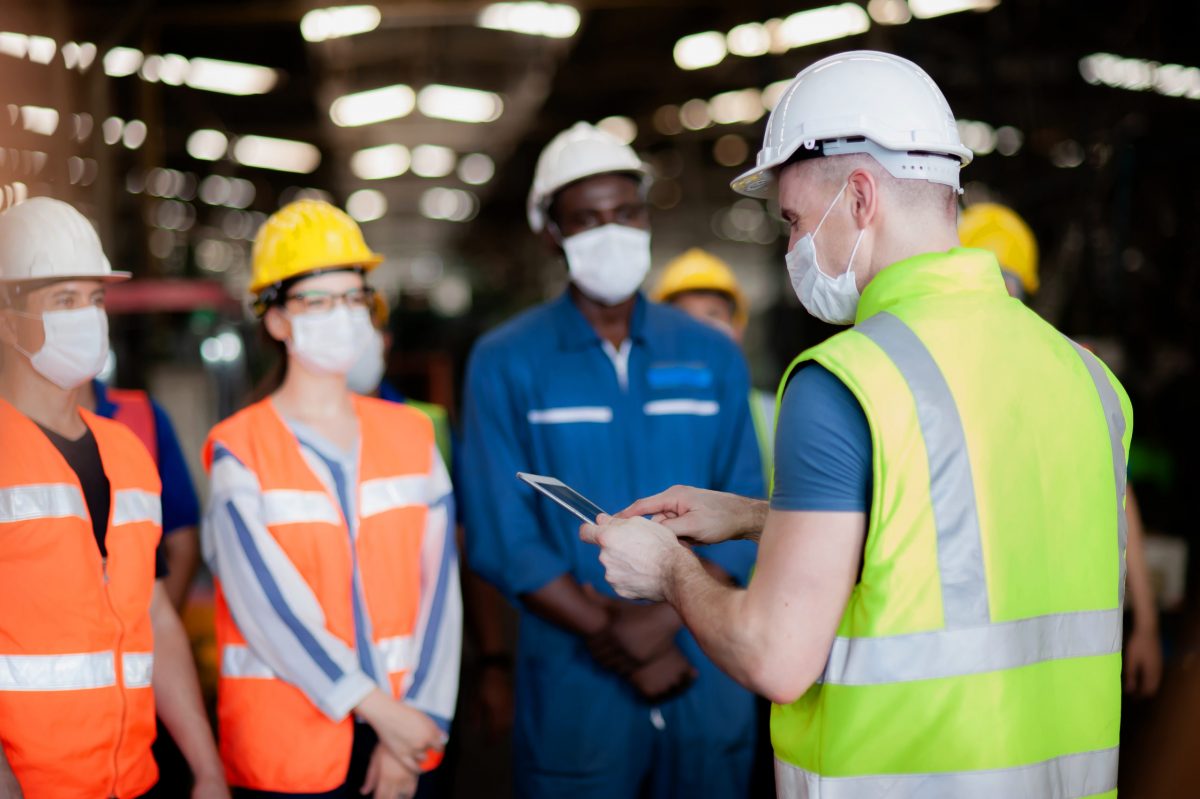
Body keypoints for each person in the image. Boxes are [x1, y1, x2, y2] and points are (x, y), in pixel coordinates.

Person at [581, 50, 1131, 798]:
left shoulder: (848, 379)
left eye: (794, 220)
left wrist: (669, 570)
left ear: (862, 197)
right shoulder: (1088, 380)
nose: (791, 248)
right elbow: (953, 548)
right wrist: (751, 516)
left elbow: (774, 653)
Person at [459, 122, 764, 798]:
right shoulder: (506, 361)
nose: (610, 231)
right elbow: (502, 535)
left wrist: (660, 620)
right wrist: (611, 630)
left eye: (624, 212)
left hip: (704, 666)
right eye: (587, 218)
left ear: (646, 217)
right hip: (577, 682)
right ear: (552, 232)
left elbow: (747, 504)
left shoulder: (709, 354)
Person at [201, 200, 461, 799]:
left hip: (407, 733)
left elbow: (439, 595)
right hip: (293, 747)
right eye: (317, 301)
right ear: (276, 320)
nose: (341, 316)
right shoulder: (240, 448)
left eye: (353, 298)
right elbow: (267, 606)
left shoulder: (413, 435)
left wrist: (417, 728)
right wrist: (386, 716)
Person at [0, 197, 227, 799]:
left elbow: (154, 616)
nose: (88, 317)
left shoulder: (126, 449)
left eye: (95, 299)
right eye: (64, 300)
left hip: (135, 780)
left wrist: (205, 767)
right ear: (6, 319)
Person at [961, 201, 1163, 696]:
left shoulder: (939, 378)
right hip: (1022, 641)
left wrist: (1147, 626)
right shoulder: (1077, 371)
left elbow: (1119, 497)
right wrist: (1147, 626)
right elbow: (1122, 500)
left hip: (1009, 636)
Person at [652, 248, 776, 482]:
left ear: (737, 328)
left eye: (713, 314)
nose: (701, 330)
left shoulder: (779, 415)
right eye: (684, 317)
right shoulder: (646, 412)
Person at [81, 378, 203, 611]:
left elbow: (183, 544)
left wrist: (159, 628)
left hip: (136, 632)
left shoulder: (142, 418)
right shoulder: (11, 428)